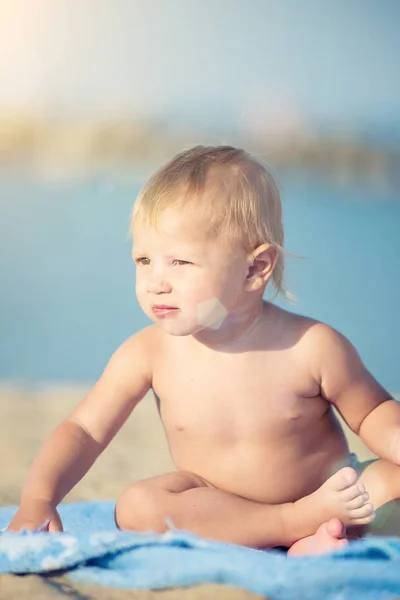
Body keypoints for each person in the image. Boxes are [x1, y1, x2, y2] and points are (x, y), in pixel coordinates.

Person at [7, 145, 400, 555]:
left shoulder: (311, 346)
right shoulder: (147, 353)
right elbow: (85, 430)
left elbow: (372, 411)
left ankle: (323, 535)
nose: (156, 281)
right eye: (144, 259)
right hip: (220, 505)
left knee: (390, 482)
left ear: (254, 268)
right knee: (138, 506)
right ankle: (295, 528)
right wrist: (40, 498)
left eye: (179, 263)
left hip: (330, 491)